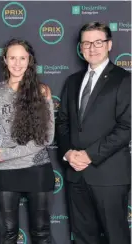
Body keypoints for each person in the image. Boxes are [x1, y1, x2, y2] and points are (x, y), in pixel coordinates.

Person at [57, 21, 131, 244]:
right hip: (77, 175)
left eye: (98, 42)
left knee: (115, 237)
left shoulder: (124, 79)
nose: (92, 48)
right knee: (83, 238)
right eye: (86, 43)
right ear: (80, 47)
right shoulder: (72, 81)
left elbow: (127, 126)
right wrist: (68, 153)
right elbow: (62, 123)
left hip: (109, 176)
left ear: (109, 44)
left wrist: (89, 155)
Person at [0, 39, 55, 244]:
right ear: (5, 60)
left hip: (36, 169)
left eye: (22, 58)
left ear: (30, 61)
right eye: (12, 58)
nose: (17, 63)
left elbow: (46, 137)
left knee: (41, 232)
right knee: (8, 234)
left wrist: (5, 154)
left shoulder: (41, 91)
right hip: (5, 172)